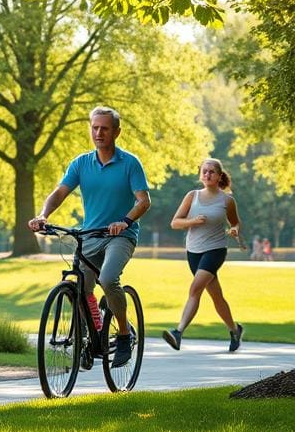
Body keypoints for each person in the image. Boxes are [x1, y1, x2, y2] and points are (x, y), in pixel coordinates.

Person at [28, 106, 151, 367]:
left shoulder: (130, 163)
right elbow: (60, 192)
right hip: (90, 236)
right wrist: (43, 216)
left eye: (104, 128)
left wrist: (125, 221)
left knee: (107, 278)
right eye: (95, 127)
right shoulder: (81, 163)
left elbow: (144, 201)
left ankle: (124, 334)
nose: (98, 132)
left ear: (116, 132)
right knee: (81, 288)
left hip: (121, 235)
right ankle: (87, 338)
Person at [163, 158, 244, 353]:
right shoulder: (192, 196)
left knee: (195, 289)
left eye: (212, 172)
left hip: (215, 250)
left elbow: (236, 223)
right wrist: (192, 222)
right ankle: (234, 330)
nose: (207, 174)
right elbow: (175, 223)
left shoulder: (227, 200)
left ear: (219, 176)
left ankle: (178, 332)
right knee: (216, 296)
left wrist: (234, 230)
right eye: (204, 171)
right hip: (193, 251)